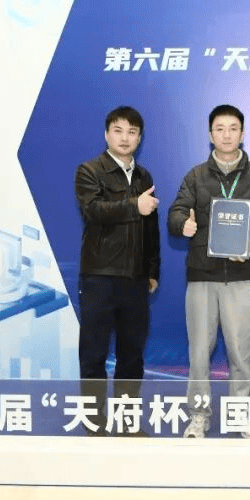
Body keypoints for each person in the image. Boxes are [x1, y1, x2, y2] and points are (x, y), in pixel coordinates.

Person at [168, 105, 250, 439]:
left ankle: (239, 415)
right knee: (199, 354)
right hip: (203, 275)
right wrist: (182, 224)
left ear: (242, 133)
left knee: (240, 353)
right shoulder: (196, 176)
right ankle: (199, 416)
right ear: (211, 135)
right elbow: (177, 211)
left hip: (242, 275)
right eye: (220, 129)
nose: (227, 135)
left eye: (233, 128)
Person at [75, 106, 160, 434]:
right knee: (94, 354)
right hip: (99, 275)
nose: (125, 138)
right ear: (106, 134)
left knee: (132, 356)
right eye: (118, 131)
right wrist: (133, 205)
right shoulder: (89, 170)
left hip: (135, 279)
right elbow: (93, 210)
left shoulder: (144, 177)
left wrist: (152, 270)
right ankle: (93, 422)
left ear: (140, 138)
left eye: (132, 132)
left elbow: (150, 227)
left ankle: (126, 422)